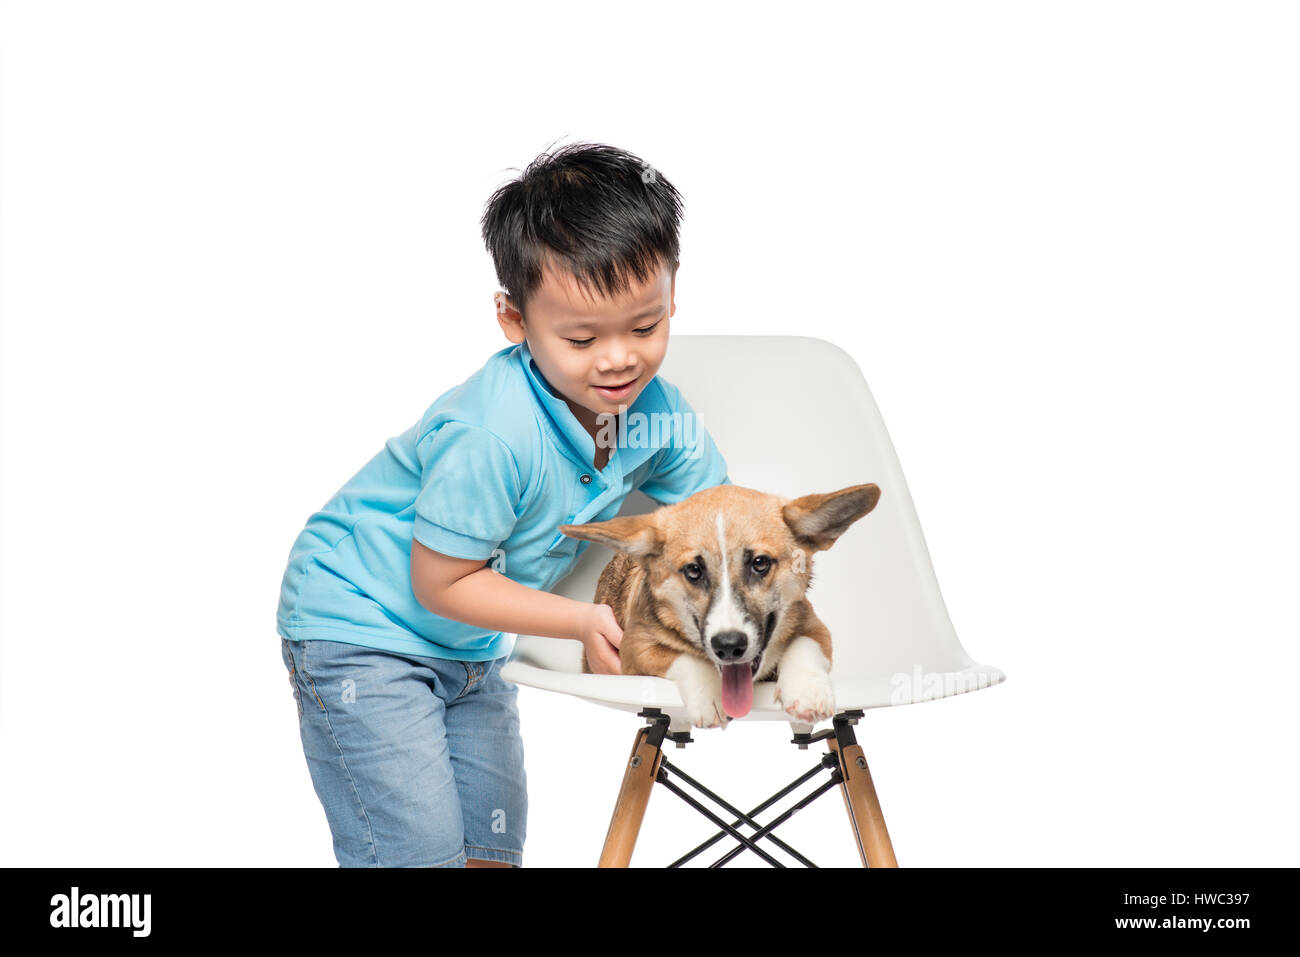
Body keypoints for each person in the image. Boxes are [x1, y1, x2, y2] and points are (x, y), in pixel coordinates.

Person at [277, 142, 732, 867]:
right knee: (419, 850)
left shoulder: (659, 415)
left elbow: (715, 519)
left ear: (673, 298)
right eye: (581, 337)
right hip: (361, 626)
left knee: (492, 846)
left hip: (470, 646)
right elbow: (443, 581)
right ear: (514, 320)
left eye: (645, 327)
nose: (618, 358)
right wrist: (584, 619)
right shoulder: (492, 432)